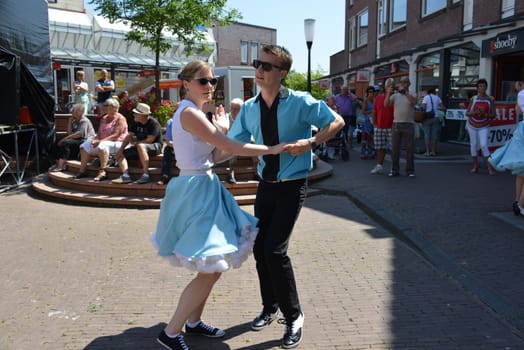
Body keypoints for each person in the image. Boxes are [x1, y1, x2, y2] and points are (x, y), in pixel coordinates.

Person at [151, 60, 287, 350]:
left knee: (213, 264)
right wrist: (270, 149)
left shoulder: (196, 114)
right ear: (186, 83)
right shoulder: (189, 113)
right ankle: (171, 333)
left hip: (204, 186)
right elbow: (231, 147)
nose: (210, 86)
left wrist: (229, 132)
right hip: (196, 191)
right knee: (211, 266)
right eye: (203, 81)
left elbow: (217, 155)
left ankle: (193, 322)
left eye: (213, 81)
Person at [228, 44, 345, 349]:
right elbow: (234, 144)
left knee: (275, 251)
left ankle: (294, 316)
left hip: (292, 185)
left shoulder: (301, 102)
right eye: (258, 64)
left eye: (266, 66)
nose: (259, 70)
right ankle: (270, 307)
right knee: (259, 249)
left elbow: (337, 121)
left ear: (282, 73)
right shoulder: (250, 108)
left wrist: (312, 141)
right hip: (265, 186)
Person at [489, 80, 524, 216]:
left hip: (522, 129)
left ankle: (517, 202)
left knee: (521, 170)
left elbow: (517, 110)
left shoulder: (521, 94)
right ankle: (521, 205)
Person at [74, 98, 128, 181]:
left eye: (106, 105)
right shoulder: (104, 118)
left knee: (103, 145)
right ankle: (82, 171)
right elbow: (99, 134)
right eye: (104, 105)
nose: (104, 107)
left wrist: (100, 141)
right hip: (104, 142)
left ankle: (102, 172)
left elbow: (116, 135)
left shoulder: (120, 118)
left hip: (118, 142)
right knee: (84, 145)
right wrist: (95, 139)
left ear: (115, 108)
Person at [112, 103, 163, 184]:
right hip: (139, 146)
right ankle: (125, 176)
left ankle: (146, 175)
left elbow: (150, 140)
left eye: (136, 113)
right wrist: (120, 150)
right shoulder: (135, 123)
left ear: (143, 115)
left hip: (155, 146)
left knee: (140, 146)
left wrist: (136, 143)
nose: (134, 114)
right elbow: (129, 136)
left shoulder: (153, 123)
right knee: (120, 154)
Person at [384, 76, 417, 177]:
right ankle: (394, 170)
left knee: (410, 149)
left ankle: (410, 171)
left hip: (409, 124)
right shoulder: (395, 95)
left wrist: (405, 93)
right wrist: (388, 93)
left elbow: (414, 102)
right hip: (397, 124)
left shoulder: (412, 93)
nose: (404, 84)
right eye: (402, 82)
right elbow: (386, 105)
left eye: (406, 82)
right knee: (395, 149)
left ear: (409, 83)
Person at [49, 104, 95, 172]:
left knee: (65, 142)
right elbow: (70, 133)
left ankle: (61, 165)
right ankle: (57, 162)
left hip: (85, 141)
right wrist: (70, 122)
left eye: (73, 111)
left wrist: (63, 139)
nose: (71, 112)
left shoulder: (84, 121)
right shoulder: (75, 120)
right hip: (78, 140)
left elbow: (79, 135)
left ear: (78, 112)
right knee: (57, 142)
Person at [466, 78, 496, 175]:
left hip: (484, 125)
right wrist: (474, 112)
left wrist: (484, 114)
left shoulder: (490, 99)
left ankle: (489, 167)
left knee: (483, 145)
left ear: (486, 87)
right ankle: (475, 165)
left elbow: (493, 115)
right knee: (473, 145)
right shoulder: (473, 98)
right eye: (480, 86)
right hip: (472, 124)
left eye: (484, 86)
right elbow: (467, 112)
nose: (482, 88)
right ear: (477, 88)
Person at [370, 78, 395, 175]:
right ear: (385, 86)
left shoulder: (396, 97)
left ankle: (394, 167)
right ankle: (379, 165)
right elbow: (374, 111)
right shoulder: (378, 98)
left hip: (392, 126)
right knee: (380, 147)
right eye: (388, 85)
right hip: (379, 126)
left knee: (394, 148)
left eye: (392, 85)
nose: (390, 87)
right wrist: (375, 124)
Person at [157, 102, 181, 185]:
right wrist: (176, 147)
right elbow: (168, 141)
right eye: (176, 110)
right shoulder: (171, 122)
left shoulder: (190, 122)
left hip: (186, 147)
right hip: (174, 147)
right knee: (167, 150)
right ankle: (165, 176)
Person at [421, 88, 446, 156]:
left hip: (427, 118)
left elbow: (423, 107)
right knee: (434, 135)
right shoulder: (437, 97)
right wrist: (437, 108)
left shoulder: (426, 97)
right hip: (436, 117)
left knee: (427, 135)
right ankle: (433, 151)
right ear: (434, 92)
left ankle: (427, 151)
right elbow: (443, 107)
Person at [226, 97, 244, 184]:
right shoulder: (226, 118)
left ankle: (256, 171)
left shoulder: (244, 118)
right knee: (233, 144)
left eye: (236, 109)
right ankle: (231, 173)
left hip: (243, 141)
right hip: (230, 141)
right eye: (232, 108)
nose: (233, 110)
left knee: (255, 142)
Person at [359, 86, 376, 159]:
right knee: (365, 137)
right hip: (367, 121)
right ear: (367, 93)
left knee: (372, 137)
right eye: (370, 92)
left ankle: (370, 152)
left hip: (374, 120)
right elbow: (363, 111)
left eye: (373, 92)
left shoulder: (375, 100)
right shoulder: (365, 101)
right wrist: (371, 111)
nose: (371, 93)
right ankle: (363, 152)